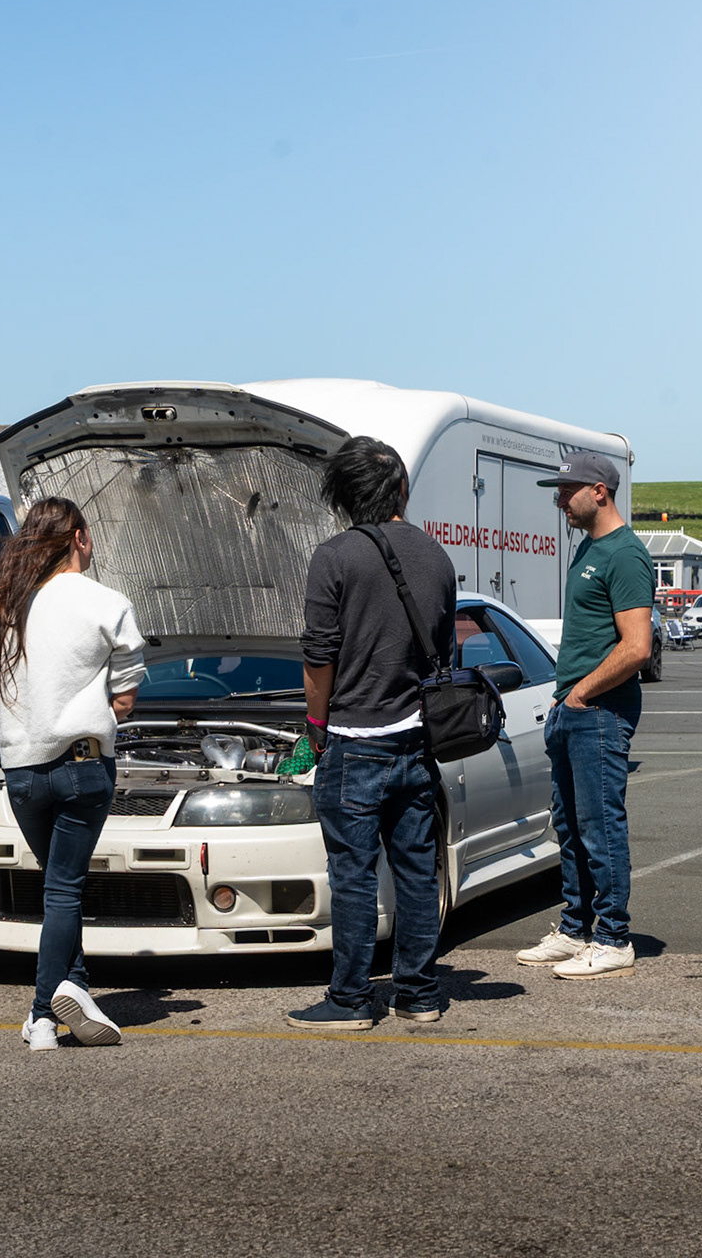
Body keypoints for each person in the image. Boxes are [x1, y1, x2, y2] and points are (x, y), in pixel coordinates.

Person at [289, 437, 456, 1030]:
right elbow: (444, 650)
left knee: (354, 876)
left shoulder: (334, 556)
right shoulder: (437, 556)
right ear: (401, 490)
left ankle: (351, 999)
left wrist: (315, 727)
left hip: (354, 741)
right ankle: (419, 993)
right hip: (416, 740)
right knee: (417, 871)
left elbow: (319, 658)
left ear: (343, 494)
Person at [0, 497, 145, 1052]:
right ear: (79, 538)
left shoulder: (1, 607)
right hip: (82, 765)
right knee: (65, 890)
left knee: (56, 886)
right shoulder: (107, 602)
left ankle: (77, 987)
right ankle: (43, 1013)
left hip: (21, 770)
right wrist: (96, 708)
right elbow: (125, 698)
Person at [516, 450, 655, 980]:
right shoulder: (588, 548)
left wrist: (580, 694)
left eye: (566, 491)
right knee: (571, 828)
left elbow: (636, 647)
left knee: (600, 827)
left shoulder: (626, 555)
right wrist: (564, 697)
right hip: (574, 707)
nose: (559, 501)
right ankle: (575, 930)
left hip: (600, 710)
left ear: (600, 491)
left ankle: (613, 938)